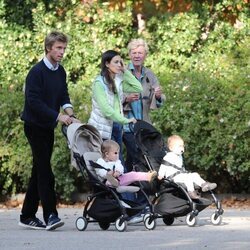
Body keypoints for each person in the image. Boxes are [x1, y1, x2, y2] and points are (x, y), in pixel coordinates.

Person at [19, 31, 79, 231]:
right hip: (34, 126)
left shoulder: (60, 71)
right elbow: (33, 102)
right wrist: (58, 116)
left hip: (47, 127)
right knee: (46, 171)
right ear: (48, 48)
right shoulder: (36, 72)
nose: (62, 52)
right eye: (58, 48)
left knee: (39, 170)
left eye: (64, 48)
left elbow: (63, 95)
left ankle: (27, 215)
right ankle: (51, 215)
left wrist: (70, 113)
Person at [88, 50, 142, 162]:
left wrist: (125, 70)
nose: (119, 65)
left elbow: (138, 88)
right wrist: (125, 120)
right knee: (110, 164)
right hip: (103, 129)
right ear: (107, 64)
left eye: (120, 62)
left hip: (117, 126)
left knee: (118, 163)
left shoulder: (118, 81)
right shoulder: (99, 83)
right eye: (116, 62)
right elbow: (106, 110)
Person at [123, 38, 166, 171]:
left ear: (145, 55)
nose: (137, 56)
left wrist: (158, 96)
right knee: (137, 156)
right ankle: (137, 189)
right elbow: (112, 97)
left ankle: (133, 188)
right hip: (126, 126)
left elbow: (160, 99)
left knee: (138, 158)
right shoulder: (122, 73)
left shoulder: (149, 74)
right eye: (134, 53)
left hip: (144, 125)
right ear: (129, 54)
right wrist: (126, 99)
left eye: (140, 53)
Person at [158, 135, 217, 199]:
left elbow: (181, 168)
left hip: (180, 175)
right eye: (179, 146)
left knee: (195, 174)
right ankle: (191, 192)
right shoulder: (168, 156)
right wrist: (160, 174)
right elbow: (163, 166)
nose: (182, 148)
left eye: (183, 146)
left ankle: (204, 185)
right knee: (187, 178)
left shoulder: (180, 156)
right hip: (172, 178)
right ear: (171, 148)